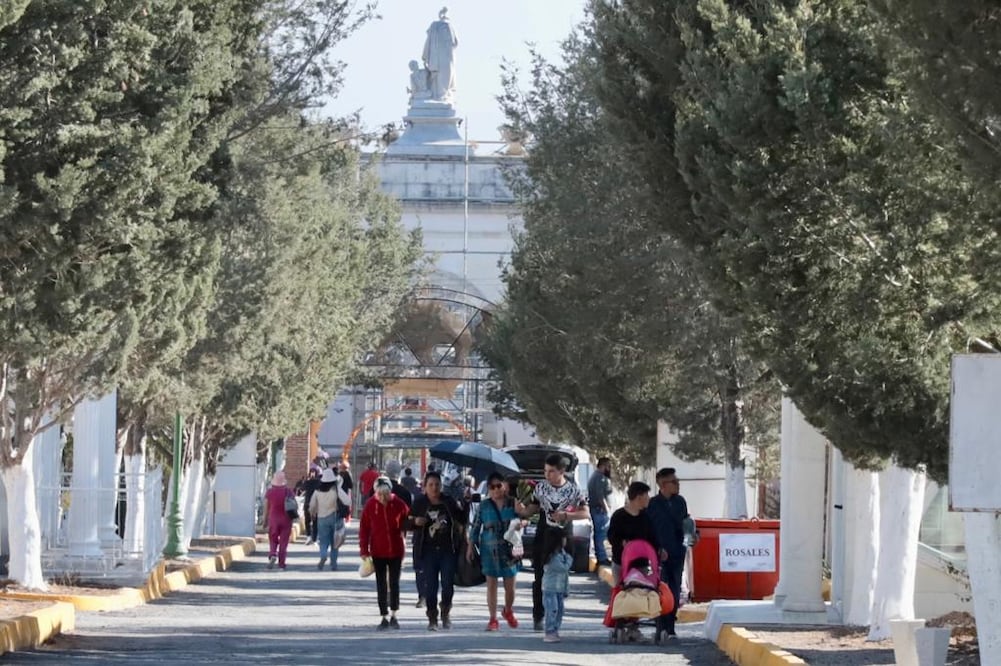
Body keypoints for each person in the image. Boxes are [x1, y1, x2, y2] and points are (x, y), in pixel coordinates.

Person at [516, 453, 589, 632]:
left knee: (559, 578)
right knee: (540, 577)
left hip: (563, 539)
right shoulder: (540, 488)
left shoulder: (573, 490)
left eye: (551, 471)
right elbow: (532, 509)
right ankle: (539, 615)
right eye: (546, 471)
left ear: (562, 471)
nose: (547, 475)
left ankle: (556, 615)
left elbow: (585, 513)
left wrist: (566, 515)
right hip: (544, 537)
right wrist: (522, 511)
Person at [409, 471, 465, 631]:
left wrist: (465, 503)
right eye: (431, 485)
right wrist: (415, 522)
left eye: (437, 485)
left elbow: (462, 518)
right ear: (425, 487)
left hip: (448, 550)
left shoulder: (448, 501)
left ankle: (445, 612)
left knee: (448, 585)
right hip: (427, 551)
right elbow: (406, 522)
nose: (434, 488)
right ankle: (432, 617)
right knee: (430, 587)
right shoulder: (420, 503)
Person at [468, 471, 521, 631]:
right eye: (492, 487)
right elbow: (476, 526)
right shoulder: (484, 506)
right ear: (488, 489)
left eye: (499, 486)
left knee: (510, 586)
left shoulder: (513, 503)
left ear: (505, 486)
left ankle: (508, 610)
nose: (496, 490)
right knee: (491, 584)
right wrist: (471, 546)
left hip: (509, 548)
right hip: (489, 549)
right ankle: (493, 619)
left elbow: (527, 517)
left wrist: (522, 522)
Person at [359, 476, 410, 630]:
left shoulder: (399, 504)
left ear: (390, 492)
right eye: (379, 494)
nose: (382, 497)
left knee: (394, 583)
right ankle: (384, 616)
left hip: (396, 550)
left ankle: (394, 614)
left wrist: (406, 533)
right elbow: (364, 529)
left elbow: (408, 520)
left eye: (385, 494)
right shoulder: (370, 505)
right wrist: (364, 550)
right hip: (378, 551)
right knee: (381, 584)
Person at [646, 468, 691, 640]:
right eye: (674, 481)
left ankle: (670, 626)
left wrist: (691, 536)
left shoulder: (680, 502)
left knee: (675, 589)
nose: (678, 484)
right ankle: (661, 624)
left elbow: (685, 523)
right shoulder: (653, 504)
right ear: (663, 485)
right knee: (660, 589)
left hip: (678, 552)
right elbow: (649, 529)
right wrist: (656, 548)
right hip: (659, 554)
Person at [607, 481, 657, 584]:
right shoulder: (619, 516)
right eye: (646, 495)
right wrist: (622, 543)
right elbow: (611, 536)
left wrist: (659, 550)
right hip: (621, 564)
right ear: (638, 497)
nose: (648, 498)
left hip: (641, 565)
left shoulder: (646, 517)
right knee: (622, 595)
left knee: (641, 594)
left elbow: (652, 537)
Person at [309, 468, 351, 571]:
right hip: (335, 518)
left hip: (322, 518)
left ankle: (323, 555)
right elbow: (347, 501)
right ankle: (333, 564)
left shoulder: (317, 491)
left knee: (323, 541)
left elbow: (312, 505)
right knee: (335, 543)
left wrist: (312, 513)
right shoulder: (336, 489)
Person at [541, 534, 573, 643]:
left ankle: (555, 630)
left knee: (559, 611)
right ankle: (549, 631)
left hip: (560, 588)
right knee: (552, 610)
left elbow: (565, 577)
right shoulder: (552, 558)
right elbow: (563, 568)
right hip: (551, 589)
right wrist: (569, 559)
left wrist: (566, 590)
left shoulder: (562, 554)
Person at [421, 7, 458, 101]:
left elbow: (455, 42)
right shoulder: (435, 27)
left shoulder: (449, 26)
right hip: (438, 55)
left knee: (448, 73)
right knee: (438, 74)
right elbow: (428, 41)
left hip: (448, 55)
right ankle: (438, 95)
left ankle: (444, 94)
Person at [262, 470, 294, 570]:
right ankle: (281, 563)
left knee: (273, 539)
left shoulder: (269, 492)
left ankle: (272, 554)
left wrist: (264, 521)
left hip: (273, 519)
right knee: (284, 542)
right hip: (286, 520)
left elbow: (266, 508)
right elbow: (293, 506)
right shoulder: (289, 492)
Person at [588, 457, 614, 566]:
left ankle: (601, 556)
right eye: (608, 466)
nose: (609, 468)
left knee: (599, 534)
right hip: (600, 510)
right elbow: (600, 496)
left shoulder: (595, 476)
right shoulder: (600, 478)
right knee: (601, 534)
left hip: (597, 509)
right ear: (602, 466)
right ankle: (602, 557)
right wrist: (606, 509)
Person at [301, 468, 321, 546]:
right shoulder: (319, 482)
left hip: (309, 503)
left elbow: (302, 488)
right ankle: (313, 538)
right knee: (314, 522)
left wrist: (307, 480)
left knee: (309, 521)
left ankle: (310, 537)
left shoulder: (308, 482)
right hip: (315, 504)